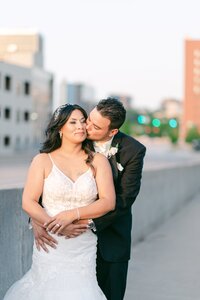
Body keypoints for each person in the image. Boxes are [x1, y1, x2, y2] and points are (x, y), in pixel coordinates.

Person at [32, 98, 146, 300]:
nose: (86, 127)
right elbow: (49, 181)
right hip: (63, 244)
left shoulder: (133, 151)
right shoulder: (75, 136)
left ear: (112, 132)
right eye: (88, 119)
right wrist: (37, 219)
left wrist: (84, 222)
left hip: (110, 240)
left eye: (95, 126)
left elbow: (124, 199)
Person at [3, 104, 116, 300]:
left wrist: (73, 215)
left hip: (82, 245)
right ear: (60, 128)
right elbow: (28, 202)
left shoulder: (98, 161)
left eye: (83, 121)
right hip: (50, 242)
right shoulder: (43, 160)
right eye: (72, 122)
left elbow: (108, 202)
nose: (80, 126)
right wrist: (56, 226)